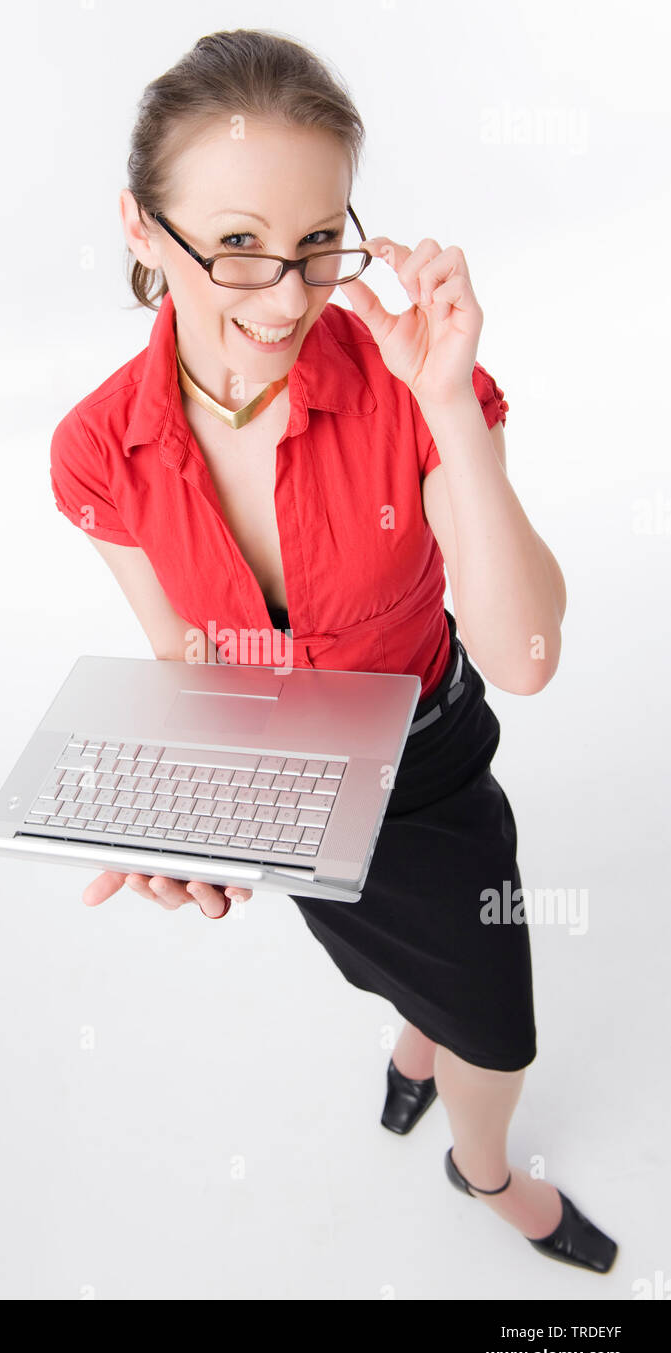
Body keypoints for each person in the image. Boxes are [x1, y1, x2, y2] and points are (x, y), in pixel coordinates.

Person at [49, 28, 617, 1274]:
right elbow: (187, 661)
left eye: (318, 243)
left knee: (498, 1033)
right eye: (239, 243)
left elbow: (522, 656)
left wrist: (449, 400)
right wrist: (183, 829)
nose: (289, 295)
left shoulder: (403, 383)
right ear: (143, 230)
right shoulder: (96, 451)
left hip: (430, 774)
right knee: (405, 986)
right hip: (295, 793)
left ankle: (483, 1169)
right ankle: (414, 1038)